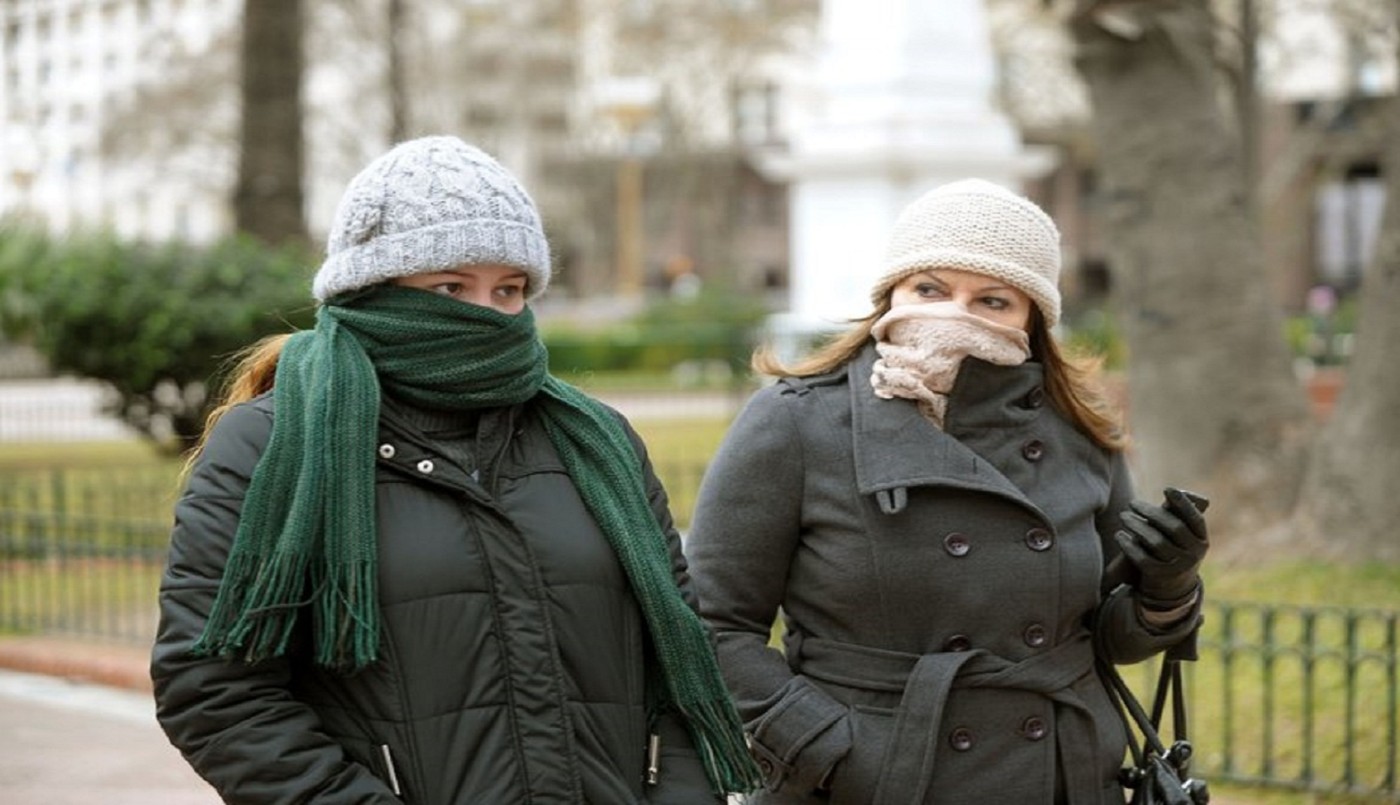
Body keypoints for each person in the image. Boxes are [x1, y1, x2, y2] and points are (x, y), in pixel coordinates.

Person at [151, 135, 758, 804]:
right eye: (450, 286)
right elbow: (215, 690)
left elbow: (678, 655)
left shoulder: (597, 441)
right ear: (371, 290)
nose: (486, 314)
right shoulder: (269, 443)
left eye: (509, 289)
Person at [685, 179, 1210, 804]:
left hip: (1059, 779)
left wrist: (1167, 587)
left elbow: (1112, 640)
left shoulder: (1078, 431)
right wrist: (827, 749)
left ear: (1032, 319)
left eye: (993, 300)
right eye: (930, 290)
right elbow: (710, 624)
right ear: (891, 294)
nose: (955, 315)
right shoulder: (796, 422)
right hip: (872, 785)